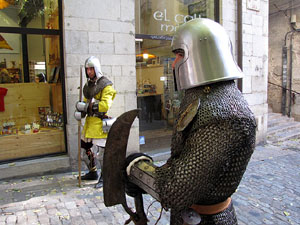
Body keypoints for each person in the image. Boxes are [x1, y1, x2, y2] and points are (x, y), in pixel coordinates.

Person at [124, 18, 256, 224]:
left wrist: (135, 168)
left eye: (179, 54)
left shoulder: (225, 116)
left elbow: (176, 190)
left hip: (209, 219)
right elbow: (184, 160)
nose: (175, 63)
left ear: (204, 54)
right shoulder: (205, 96)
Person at [75, 56, 116, 188]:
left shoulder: (106, 85)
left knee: (102, 155)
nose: (89, 72)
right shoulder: (88, 86)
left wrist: (87, 107)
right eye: (87, 69)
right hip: (89, 124)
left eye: (91, 69)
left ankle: (106, 177)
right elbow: (87, 102)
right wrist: (81, 109)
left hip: (99, 124)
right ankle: (93, 172)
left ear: (96, 69)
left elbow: (104, 106)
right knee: (83, 152)